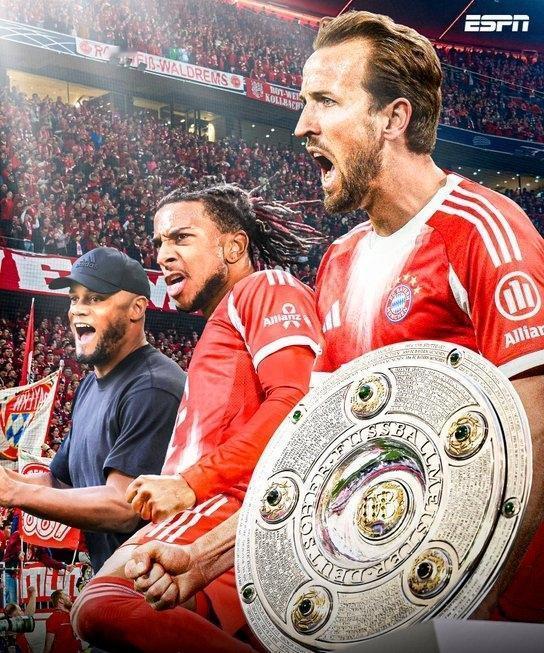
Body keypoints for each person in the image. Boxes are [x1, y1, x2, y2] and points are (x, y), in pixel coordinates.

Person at [124, 8, 544, 632]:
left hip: (497, 611)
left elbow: (536, 430)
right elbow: (321, 458)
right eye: (304, 102)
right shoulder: (339, 262)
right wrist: (205, 556)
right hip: (393, 596)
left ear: (393, 119)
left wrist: (471, 615)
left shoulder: (484, 230)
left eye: (325, 101)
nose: (301, 125)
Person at [72, 184, 323, 652]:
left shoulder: (265, 288)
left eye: (181, 238)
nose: (163, 255)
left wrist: (190, 483)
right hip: (218, 516)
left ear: (234, 247)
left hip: (233, 505)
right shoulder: (219, 325)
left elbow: (298, 400)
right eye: (159, 243)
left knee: (105, 604)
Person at [0, 247, 186, 572]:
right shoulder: (89, 385)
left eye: (95, 298)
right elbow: (59, 484)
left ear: (137, 308)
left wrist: (15, 491)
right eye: (75, 298)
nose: (78, 310)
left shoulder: (153, 387)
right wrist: (8, 480)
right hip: (117, 582)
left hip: (157, 589)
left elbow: (125, 507)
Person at [3, 586, 36, 653]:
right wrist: (33, 594)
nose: (22, 612)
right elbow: (28, 615)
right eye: (20, 611)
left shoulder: (14, 627)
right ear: (12, 615)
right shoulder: (12, 628)